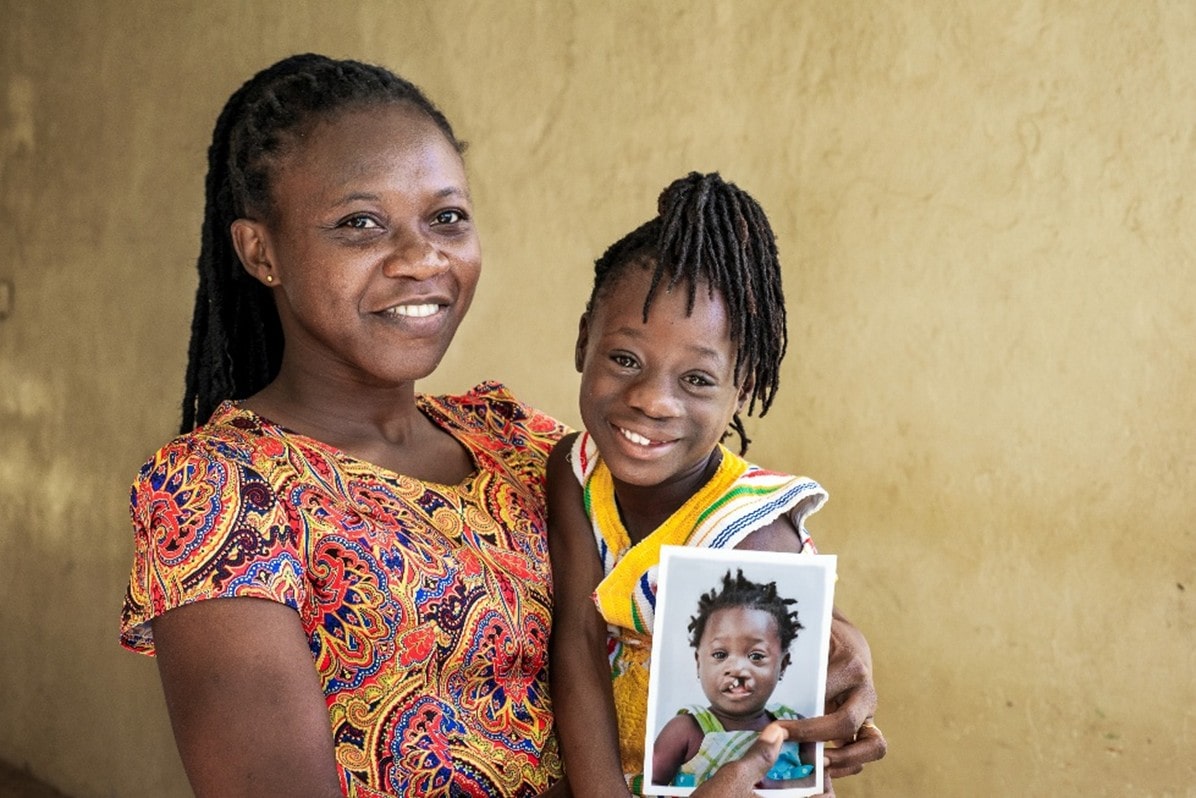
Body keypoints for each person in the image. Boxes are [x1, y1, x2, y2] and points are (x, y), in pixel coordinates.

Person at [117, 54, 882, 798]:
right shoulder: (220, 492)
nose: (421, 258)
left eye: (446, 217)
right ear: (261, 251)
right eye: (360, 223)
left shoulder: (516, 441)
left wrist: (829, 650)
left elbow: (688, 548)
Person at [547, 172, 886, 798]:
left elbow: (778, 749)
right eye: (624, 359)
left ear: (744, 387)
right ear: (582, 340)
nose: (652, 401)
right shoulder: (575, 469)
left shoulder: (750, 539)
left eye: (698, 380)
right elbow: (577, 635)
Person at [651, 569, 816, 790]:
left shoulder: (795, 727)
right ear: (699, 663)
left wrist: (780, 787)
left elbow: (821, 781)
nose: (737, 669)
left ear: (782, 665)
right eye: (720, 655)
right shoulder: (686, 730)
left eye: (756, 656)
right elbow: (648, 786)